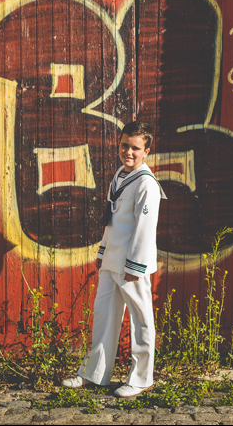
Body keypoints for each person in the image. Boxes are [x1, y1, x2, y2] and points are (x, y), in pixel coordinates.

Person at [62, 121, 166, 398]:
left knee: (141, 320)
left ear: (146, 152)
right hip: (111, 259)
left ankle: (142, 378)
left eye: (135, 148)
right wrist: (102, 250)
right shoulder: (120, 175)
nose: (128, 152)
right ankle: (94, 373)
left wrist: (135, 267)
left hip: (132, 264)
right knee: (104, 316)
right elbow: (112, 219)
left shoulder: (147, 184)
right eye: (124, 145)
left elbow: (145, 229)